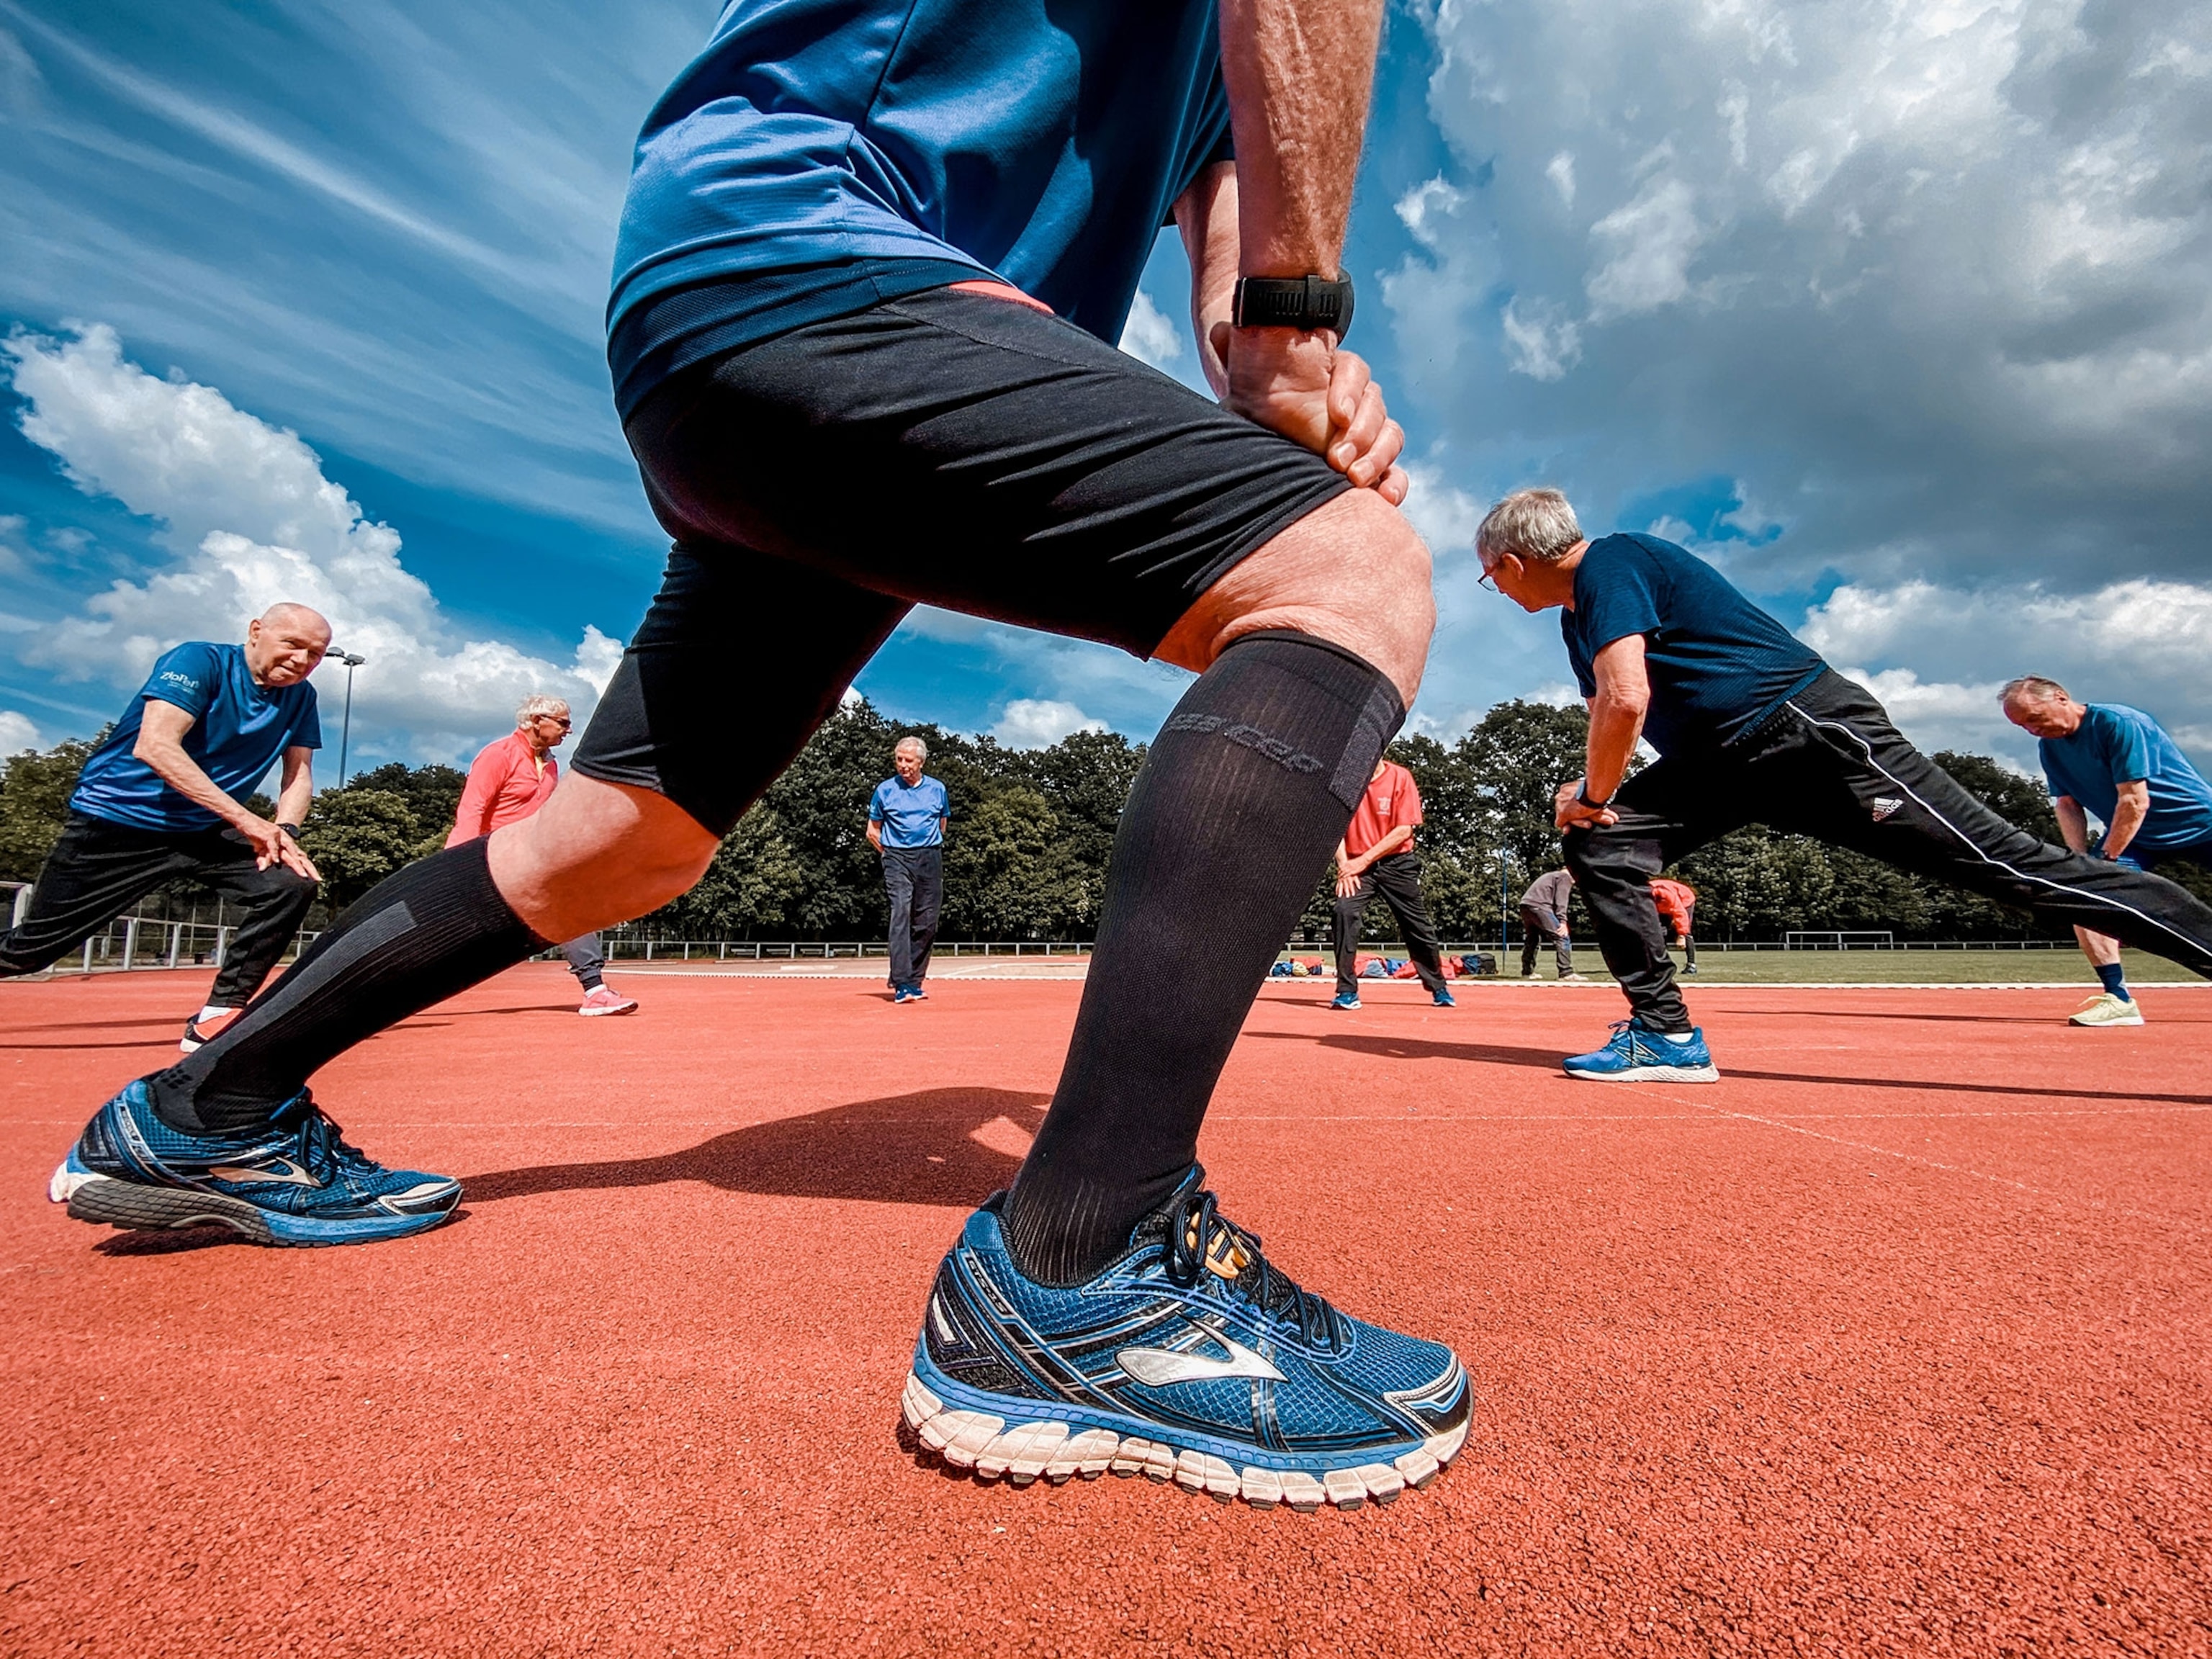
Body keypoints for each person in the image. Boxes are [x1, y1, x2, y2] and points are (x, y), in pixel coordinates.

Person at [50, 0, 1470, 1509]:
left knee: (619, 841)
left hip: (777, 326)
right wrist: (1299, 314)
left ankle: (208, 1111)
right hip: (818, 260)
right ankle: (1087, 1266)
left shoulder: (1182, 63)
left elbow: (1230, 190)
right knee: (1350, 578)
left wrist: (1266, 338)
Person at [1473, 487, 2212, 1082]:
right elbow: (1611, 709)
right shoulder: (1579, 621)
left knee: (2012, 870)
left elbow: (1628, 697)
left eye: (1488, 578)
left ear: (1510, 563)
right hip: (1724, 761)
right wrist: (1585, 791)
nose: (1495, 590)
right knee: (1604, 845)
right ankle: (1665, 1037)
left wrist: (1595, 796)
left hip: (1809, 735)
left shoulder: (1615, 562)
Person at [2, 606, 326, 1053]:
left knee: (288, 885)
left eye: (316, 654)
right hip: (118, 823)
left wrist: (284, 828)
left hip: (203, 830)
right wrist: (249, 820)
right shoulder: (198, 661)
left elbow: (299, 774)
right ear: (255, 632)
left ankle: (218, 1015)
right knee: (29, 952)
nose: (302, 660)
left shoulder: (301, 697)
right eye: (293, 644)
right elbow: (155, 745)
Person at [2001, 677, 2212, 1027]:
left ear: (2061, 697)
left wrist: (2108, 859)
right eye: (2022, 726)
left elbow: (2134, 800)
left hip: (2199, 825)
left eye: (2035, 718)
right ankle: (2118, 998)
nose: (2033, 730)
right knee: (2083, 895)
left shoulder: (2120, 723)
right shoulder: (2050, 747)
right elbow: (2067, 804)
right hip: (2138, 838)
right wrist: (2078, 861)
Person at [448, 696, 639, 1018]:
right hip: (490, 859)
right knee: (448, 930)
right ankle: (381, 984)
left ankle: (595, 990)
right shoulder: (498, 755)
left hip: (529, 859)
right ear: (537, 721)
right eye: (563, 723)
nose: (569, 730)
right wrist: (458, 865)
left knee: (570, 907)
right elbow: (472, 810)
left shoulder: (549, 764)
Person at [1328, 755, 1453, 1010]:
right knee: (1343, 912)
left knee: (1416, 925)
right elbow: (1334, 828)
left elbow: (1403, 831)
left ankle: (1438, 985)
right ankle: (1346, 991)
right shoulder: (1345, 781)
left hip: (1396, 863)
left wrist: (1362, 861)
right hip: (1354, 866)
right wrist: (1345, 866)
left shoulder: (1400, 777)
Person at [867, 736, 948, 1004]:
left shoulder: (937, 790)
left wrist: (927, 847)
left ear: (921, 762)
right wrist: (890, 854)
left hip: (929, 857)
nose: (903, 765)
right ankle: (901, 981)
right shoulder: (885, 790)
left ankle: (914, 981)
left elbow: (941, 824)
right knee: (900, 910)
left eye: (908, 760)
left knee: (927, 921)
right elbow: (872, 830)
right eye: (899, 759)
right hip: (896, 857)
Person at [1517, 867, 1588, 981]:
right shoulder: (1564, 877)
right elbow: (1561, 901)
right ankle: (1566, 972)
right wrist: (1563, 921)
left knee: (1533, 938)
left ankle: (1527, 971)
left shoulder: (1552, 875)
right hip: (1540, 906)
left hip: (1526, 905)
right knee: (1562, 936)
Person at [1648, 876, 1697, 975]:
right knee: (1658, 932)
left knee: (1686, 931)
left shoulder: (1665, 893)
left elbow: (1680, 913)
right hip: (1661, 907)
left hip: (1684, 900)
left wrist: (1682, 935)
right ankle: (1659, 964)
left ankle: (1691, 965)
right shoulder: (1641, 895)